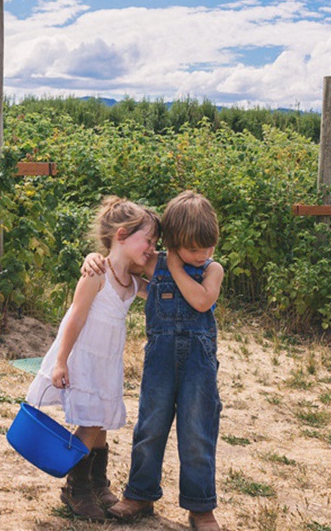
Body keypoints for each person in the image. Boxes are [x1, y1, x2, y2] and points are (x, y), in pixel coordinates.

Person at [81, 190, 224, 531]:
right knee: (149, 427)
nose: (202, 254)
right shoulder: (153, 262)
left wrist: (174, 263)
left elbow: (202, 302)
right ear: (172, 241)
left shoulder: (211, 270)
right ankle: (140, 494)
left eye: (208, 246)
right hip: (159, 359)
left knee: (198, 432)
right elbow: (119, 258)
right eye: (192, 248)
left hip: (198, 365)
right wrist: (92, 257)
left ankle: (201, 508)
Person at [24, 196, 161, 521]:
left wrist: (148, 259)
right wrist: (61, 361)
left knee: (99, 424)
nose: (153, 249)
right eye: (149, 241)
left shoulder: (130, 281)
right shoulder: (97, 274)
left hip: (106, 363)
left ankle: (97, 483)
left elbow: (162, 278)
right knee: (91, 423)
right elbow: (74, 317)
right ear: (123, 234)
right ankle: (76, 487)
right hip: (82, 359)